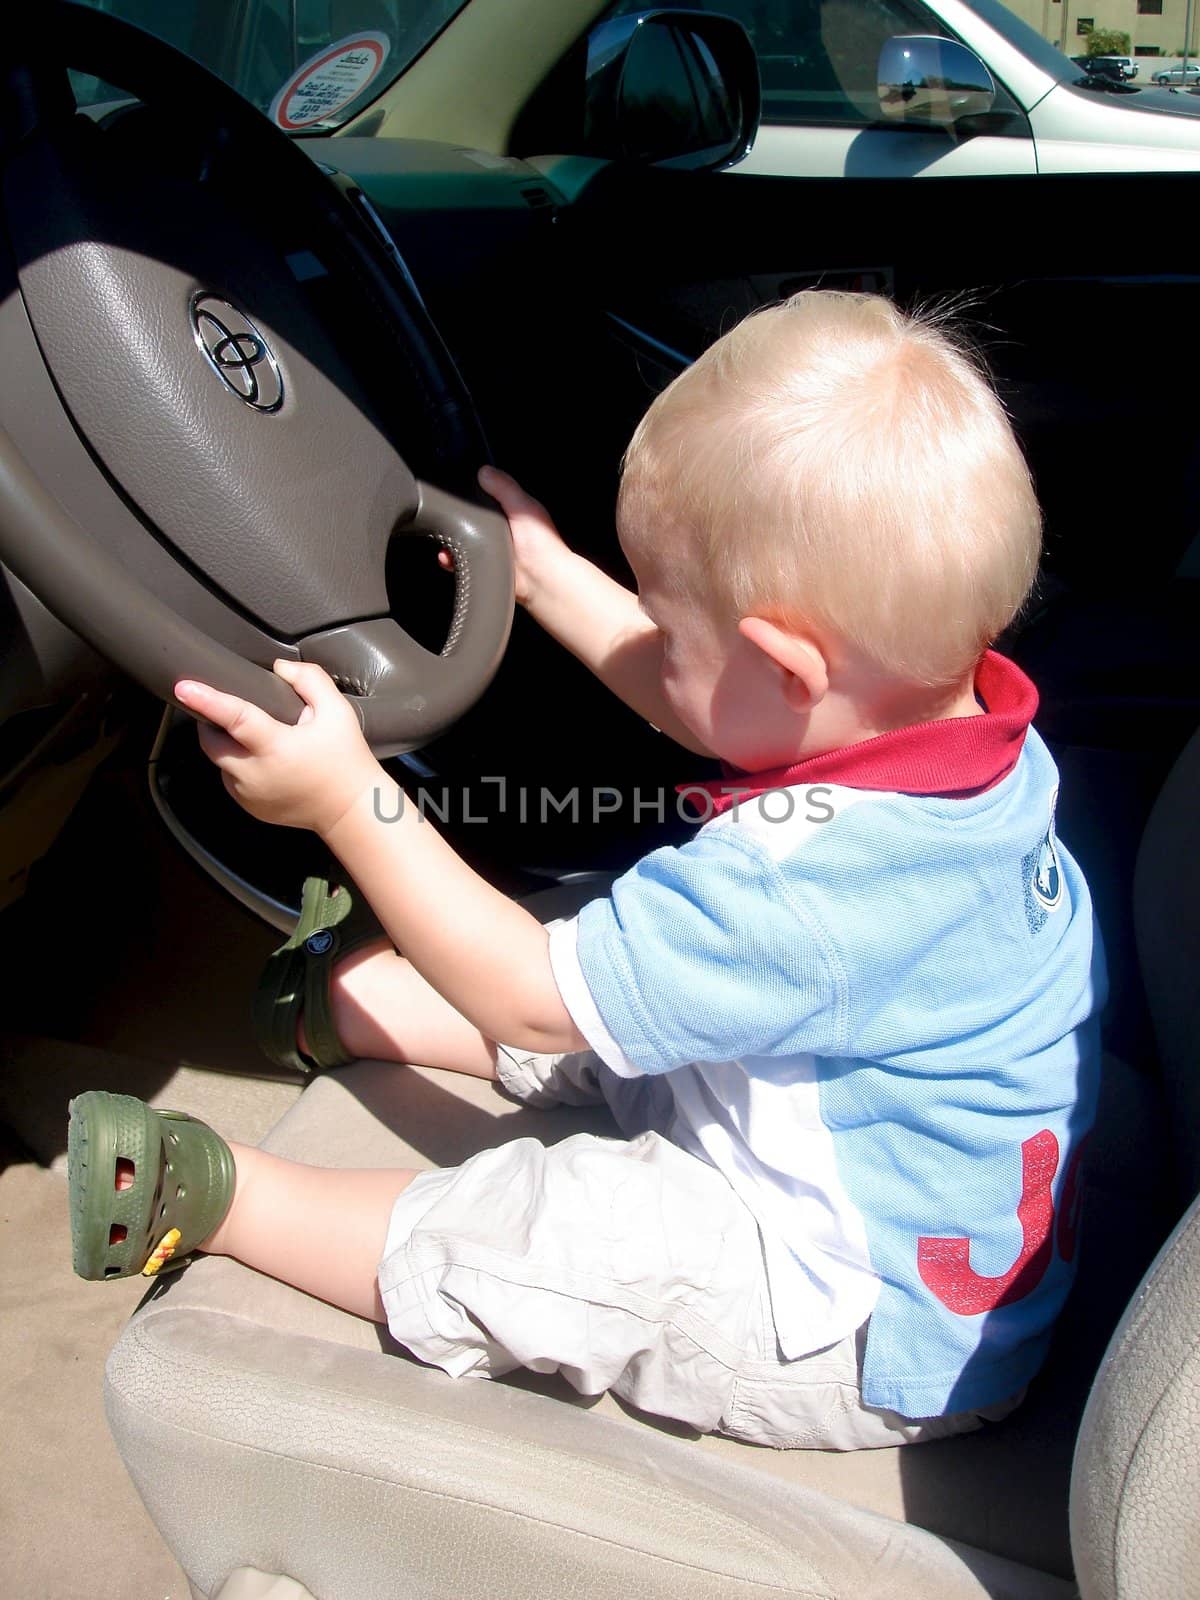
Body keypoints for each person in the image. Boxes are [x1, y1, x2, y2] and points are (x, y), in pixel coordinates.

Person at [67, 290, 1104, 1451]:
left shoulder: (807, 893)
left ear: (788, 668)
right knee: (623, 984)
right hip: (869, 1168)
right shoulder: (973, 744)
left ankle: (220, 1199)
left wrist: (342, 797)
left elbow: (526, 995)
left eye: (673, 628)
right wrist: (544, 573)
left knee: (571, 1228)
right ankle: (346, 1003)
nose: (661, 649)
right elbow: (718, 701)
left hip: (854, 1330)